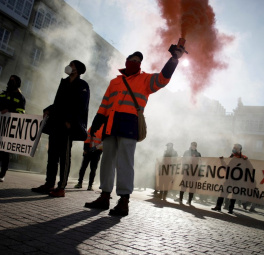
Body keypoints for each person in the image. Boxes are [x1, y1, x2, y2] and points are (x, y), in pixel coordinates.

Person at [84, 46, 185, 216]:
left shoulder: (145, 79)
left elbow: (162, 79)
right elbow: (105, 104)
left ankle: (124, 201)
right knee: (107, 161)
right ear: (127, 61)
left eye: (139, 62)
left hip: (129, 125)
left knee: (125, 163)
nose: (136, 63)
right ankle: (104, 196)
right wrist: (96, 122)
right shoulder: (114, 81)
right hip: (110, 124)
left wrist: (174, 59)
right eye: (133, 60)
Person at [31, 60, 90, 197]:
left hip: (68, 126)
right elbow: (58, 102)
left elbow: (82, 106)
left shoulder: (82, 85)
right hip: (56, 124)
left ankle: (61, 187)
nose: (69, 67)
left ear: (78, 70)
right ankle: (49, 183)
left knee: (64, 157)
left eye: (72, 65)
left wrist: (71, 121)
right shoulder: (63, 82)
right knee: (52, 155)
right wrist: (48, 110)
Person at [0, 75, 26, 182]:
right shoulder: (3, 94)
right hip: (0, 126)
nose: (10, 81)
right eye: (10, 79)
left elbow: (21, 113)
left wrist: (9, 111)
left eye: (13, 80)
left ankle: (2, 174)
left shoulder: (20, 98)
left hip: (10, 129)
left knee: (5, 152)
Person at [211, 143, 248, 214]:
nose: (233, 149)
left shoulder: (243, 158)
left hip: (237, 180)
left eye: (235, 148)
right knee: (223, 193)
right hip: (228, 179)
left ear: (239, 149)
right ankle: (218, 206)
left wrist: (245, 160)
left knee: (234, 195)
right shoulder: (231, 156)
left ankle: (231, 209)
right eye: (233, 147)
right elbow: (226, 166)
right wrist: (222, 161)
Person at [74, 125, 104, 191]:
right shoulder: (104, 129)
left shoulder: (94, 126)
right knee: (92, 169)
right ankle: (89, 186)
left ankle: (80, 183)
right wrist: (95, 148)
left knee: (84, 167)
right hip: (95, 151)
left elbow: (87, 137)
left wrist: (86, 149)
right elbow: (103, 143)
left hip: (90, 150)